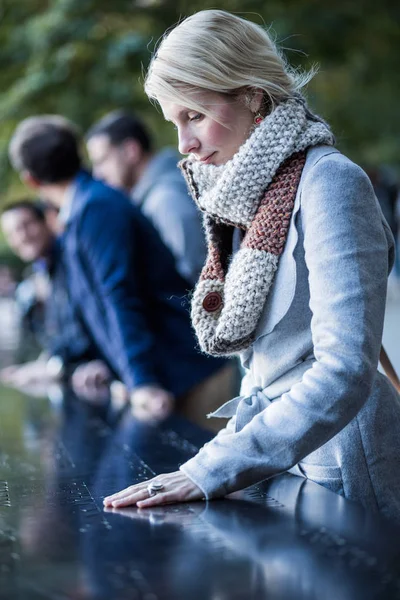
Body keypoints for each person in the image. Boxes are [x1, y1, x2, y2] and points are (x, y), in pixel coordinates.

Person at [104, 10, 400, 523]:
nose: (184, 145)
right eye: (174, 122)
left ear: (252, 95)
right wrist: (221, 462)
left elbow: (346, 368)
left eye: (194, 115)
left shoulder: (329, 182)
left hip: (341, 471)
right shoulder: (250, 195)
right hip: (275, 463)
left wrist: (211, 468)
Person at [8, 115, 233, 428]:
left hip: (188, 372)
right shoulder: (80, 214)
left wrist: (141, 381)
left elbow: (118, 294)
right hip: (167, 375)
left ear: (31, 179)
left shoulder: (97, 208)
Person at [86, 111, 206, 285]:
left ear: (130, 151)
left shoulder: (166, 200)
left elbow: (192, 277)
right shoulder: (155, 196)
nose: (97, 174)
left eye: (102, 160)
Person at [0, 200, 101, 385]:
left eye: (26, 226)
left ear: (46, 221)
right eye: (12, 233)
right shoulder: (43, 272)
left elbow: (88, 331)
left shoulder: (73, 262)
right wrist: (44, 363)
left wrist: (52, 368)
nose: (21, 237)